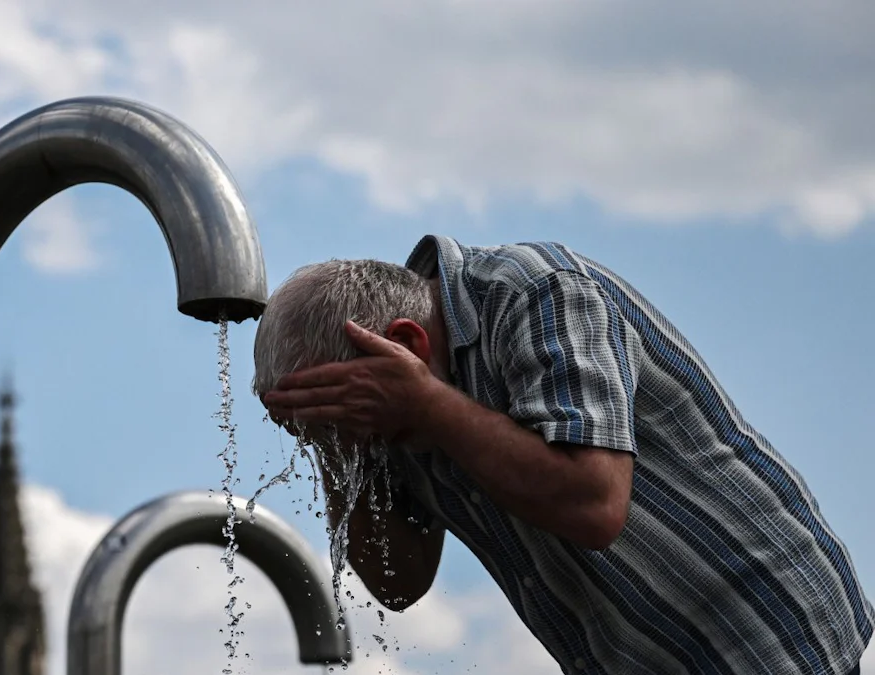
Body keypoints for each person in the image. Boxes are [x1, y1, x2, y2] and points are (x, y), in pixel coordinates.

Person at [254, 235, 871, 675]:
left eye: (345, 425)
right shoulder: (381, 402)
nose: (352, 445)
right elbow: (397, 582)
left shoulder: (536, 294)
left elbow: (593, 503)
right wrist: (334, 446)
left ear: (406, 348)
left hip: (763, 633)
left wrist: (428, 406)